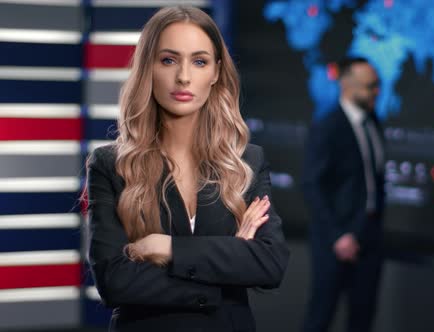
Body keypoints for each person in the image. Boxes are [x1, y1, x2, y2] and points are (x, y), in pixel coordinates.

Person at [85, 6, 290, 332]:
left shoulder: (246, 162)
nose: (183, 76)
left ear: (216, 72)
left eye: (199, 61)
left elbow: (269, 264)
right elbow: (115, 282)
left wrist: (166, 248)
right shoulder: (111, 164)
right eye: (168, 60)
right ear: (148, 68)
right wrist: (227, 264)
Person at [301, 57, 385, 332]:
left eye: (378, 85)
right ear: (347, 86)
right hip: (334, 240)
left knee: (363, 318)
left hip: (370, 235)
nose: (376, 92)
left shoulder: (373, 122)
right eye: (370, 86)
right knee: (321, 316)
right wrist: (338, 234)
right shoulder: (328, 126)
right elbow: (312, 184)